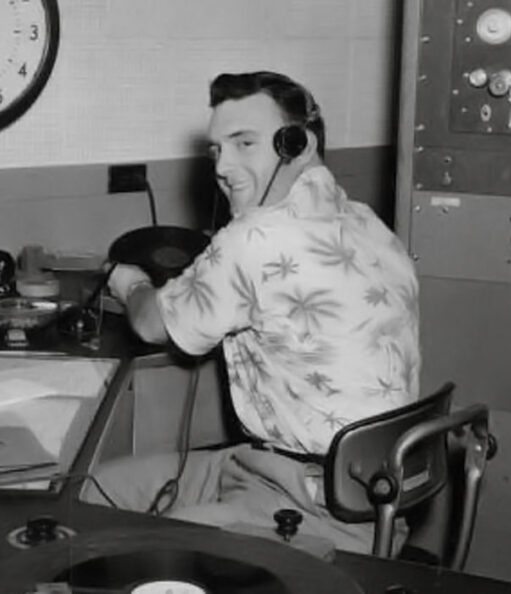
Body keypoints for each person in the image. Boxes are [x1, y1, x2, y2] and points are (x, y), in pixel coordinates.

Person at [86, 71, 421, 555]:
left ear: (297, 145)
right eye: (216, 150)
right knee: (96, 489)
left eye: (245, 143)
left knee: (139, 555)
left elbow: (150, 323)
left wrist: (130, 283)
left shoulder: (255, 238)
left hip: (314, 506)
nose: (224, 167)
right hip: (345, 487)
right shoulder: (368, 222)